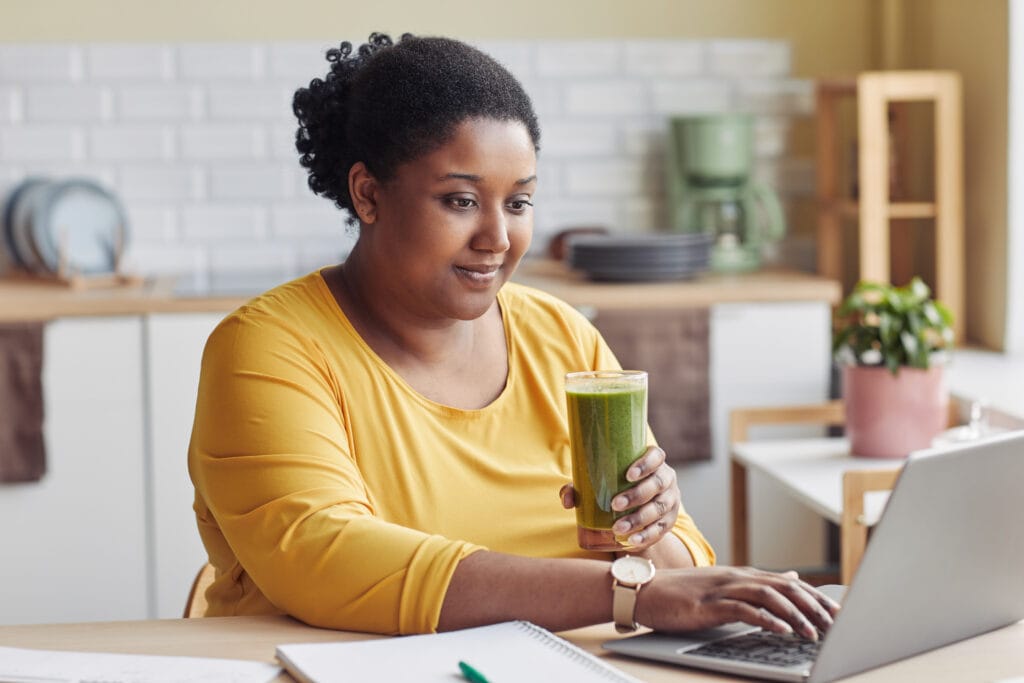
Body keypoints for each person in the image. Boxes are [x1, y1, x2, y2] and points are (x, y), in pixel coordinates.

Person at [188, 32, 838, 638]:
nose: (498, 239)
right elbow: (326, 557)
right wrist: (625, 592)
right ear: (367, 194)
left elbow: (678, 575)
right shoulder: (268, 349)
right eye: (461, 201)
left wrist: (647, 532)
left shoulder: (561, 338)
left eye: (519, 202)